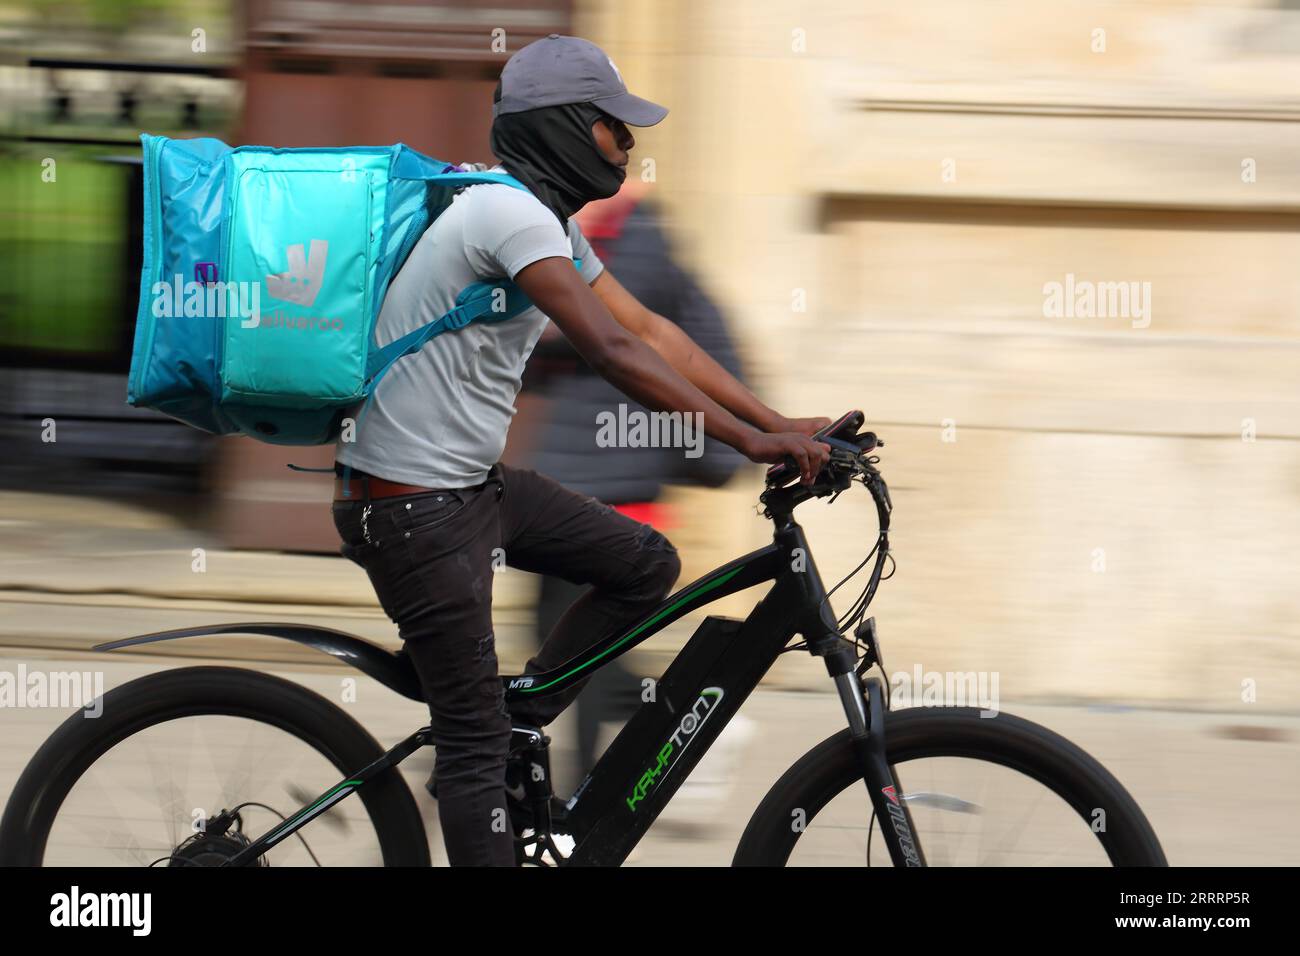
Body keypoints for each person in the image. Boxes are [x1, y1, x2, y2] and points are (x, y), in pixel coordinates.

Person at [331, 34, 830, 867]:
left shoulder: (546, 223)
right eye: (613, 127)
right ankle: (491, 741)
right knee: (471, 754)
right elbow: (612, 351)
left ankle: (522, 713)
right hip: (410, 510)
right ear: (563, 127)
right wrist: (747, 441)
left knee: (644, 566)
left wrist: (781, 423)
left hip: (466, 492)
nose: (627, 146)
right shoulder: (504, 213)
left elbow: (653, 330)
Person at [522, 180, 747, 784]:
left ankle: (651, 739)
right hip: (573, 470)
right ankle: (672, 721)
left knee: (580, 647)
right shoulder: (590, 238)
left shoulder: (636, 241)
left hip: (616, 476)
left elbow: (609, 336)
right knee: (561, 640)